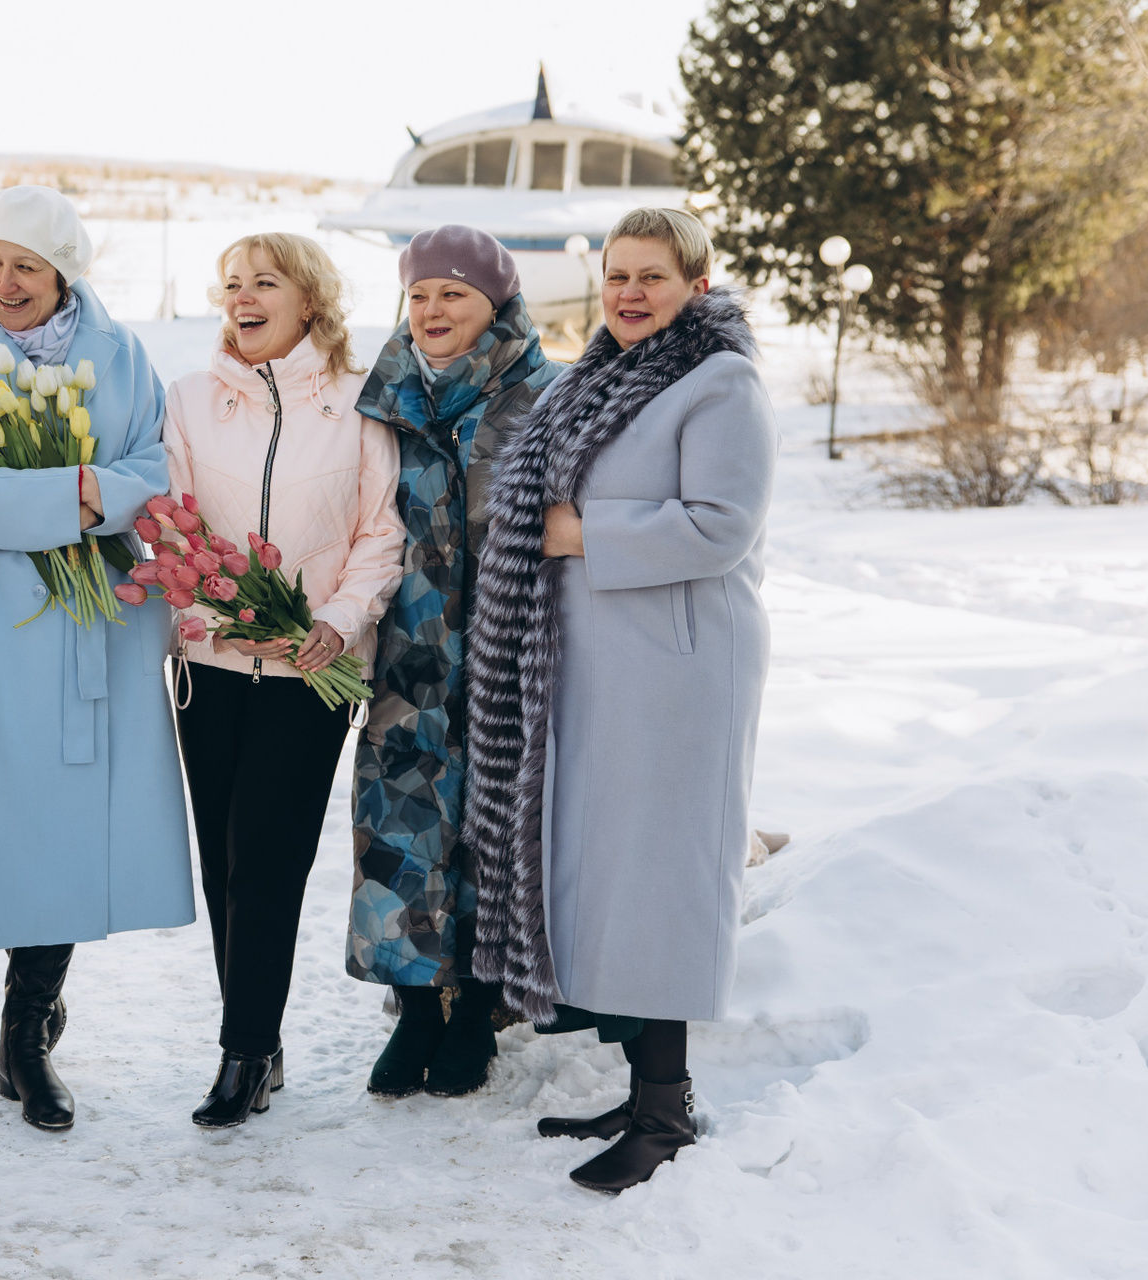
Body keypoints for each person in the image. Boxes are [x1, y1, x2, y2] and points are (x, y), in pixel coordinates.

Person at [465, 206, 777, 1193]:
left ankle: (667, 1110)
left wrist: (582, 532)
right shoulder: (592, 377)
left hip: (679, 668)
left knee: (663, 878)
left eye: (652, 276)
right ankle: (645, 1091)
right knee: (612, 877)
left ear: (697, 284)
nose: (631, 293)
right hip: (596, 663)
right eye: (617, 276)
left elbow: (722, 524)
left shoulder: (720, 382)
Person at [0, 185, 194, 1132]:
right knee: (12, 818)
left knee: (78, 822)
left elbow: (152, 468)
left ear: (63, 272)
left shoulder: (122, 353)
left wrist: (66, 494)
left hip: (101, 614)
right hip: (6, 614)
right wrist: (75, 498)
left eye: (25, 265)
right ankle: (24, 1021)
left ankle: (27, 1029)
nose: (4, 282)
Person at [162, 233, 405, 1127]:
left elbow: (381, 531)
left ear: (310, 300)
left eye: (265, 282)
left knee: (268, 859)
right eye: (232, 284)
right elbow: (173, 524)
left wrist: (338, 619)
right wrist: (207, 612)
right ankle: (256, 1041)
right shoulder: (190, 400)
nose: (244, 298)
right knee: (224, 860)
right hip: (212, 664)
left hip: (313, 668)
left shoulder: (360, 404)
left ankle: (244, 1053)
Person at [345, 226, 562, 1099]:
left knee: (493, 824)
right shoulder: (383, 397)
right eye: (419, 294)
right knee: (399, 826)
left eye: (454, 294)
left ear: (497, 303)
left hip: (511, 651)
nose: (432, 311)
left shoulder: (545, 395)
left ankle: (476, 1006)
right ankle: (413, 1007)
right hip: (408, 653)